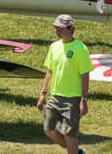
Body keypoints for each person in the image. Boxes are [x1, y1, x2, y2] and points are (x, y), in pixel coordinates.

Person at [37, 14, 91, 154]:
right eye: (56, 28)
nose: (57, 31)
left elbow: (85, 76)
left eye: (60, 28)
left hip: (72, 99)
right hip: (55, 97)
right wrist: (43, 94)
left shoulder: (81, 49)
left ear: (71, 28)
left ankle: (73, 150)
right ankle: (74, 151)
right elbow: (50, 72)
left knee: (69, 134)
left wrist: (83, 100)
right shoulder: (54, 46)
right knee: (49, 130)